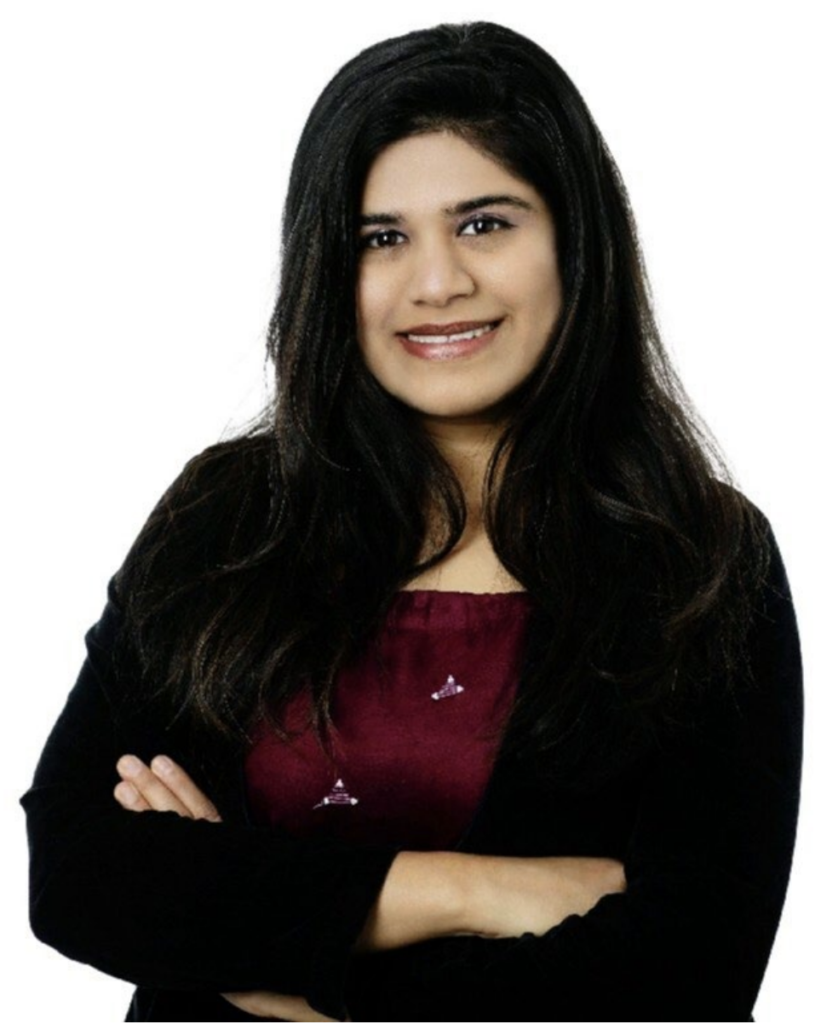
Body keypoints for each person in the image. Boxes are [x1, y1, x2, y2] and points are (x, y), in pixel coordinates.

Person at [20, 20, 803, 1024]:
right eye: (379, 238)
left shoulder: (700, 559)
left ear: (575, 243)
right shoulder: (229, 515)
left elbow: (684, 977)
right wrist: (466, 892)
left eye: (484, 224)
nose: (437, 283)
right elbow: (79, 871)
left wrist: (263, 952)